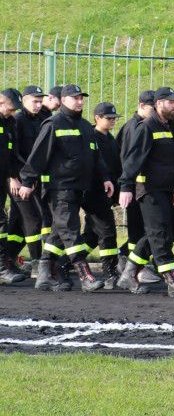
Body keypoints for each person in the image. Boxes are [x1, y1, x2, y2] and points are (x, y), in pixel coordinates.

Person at [19, 84, 112, 292]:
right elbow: (38, 155)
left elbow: (96, 155)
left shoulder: (86, 126)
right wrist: (27, 181)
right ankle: (84, 275)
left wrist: (105, 177)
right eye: (75, 98)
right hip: (60, 188)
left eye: (81, 98)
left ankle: (44, 274)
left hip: (80, 187)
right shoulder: (53, 124)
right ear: (63, 100)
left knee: (58, 232)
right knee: (70, 230)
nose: (79, 101)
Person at [117, 87, 174, 297]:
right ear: (158, 104)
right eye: (170, 102)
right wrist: (125, 187)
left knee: (159, 234)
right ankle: (173, 280)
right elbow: (132, 161)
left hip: (168, 190)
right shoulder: (147, 127)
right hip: (149, 190)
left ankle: (129, 274)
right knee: (160, 234)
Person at [9, 85, 53, 277]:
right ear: (24, 101)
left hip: (35, 178)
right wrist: (15, 177)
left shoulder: (43, 119)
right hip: (19, 178)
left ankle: (8, 259)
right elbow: (13, 152)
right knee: (33, 219)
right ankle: (36, 263)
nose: (38, 105)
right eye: (34, 101)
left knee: (19, 223)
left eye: (40, 101)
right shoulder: (17, 120)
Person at [79, 102, 123, 288]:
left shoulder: (109, 138)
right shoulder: (91, 138)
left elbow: (115, 168)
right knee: (108, 233)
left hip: (107, 194)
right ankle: (110, 274)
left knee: (92, 236)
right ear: (97, 118)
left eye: (114, 118)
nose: (113, 121)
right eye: (109, 118)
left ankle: (63, 262)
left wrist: (115, 195)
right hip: (94, 194)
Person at [0, 89, 27, 284]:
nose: (13, 112)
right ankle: (1, 269)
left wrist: (15, 176)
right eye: (10, 109)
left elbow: (12, 153)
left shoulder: (10, 122)